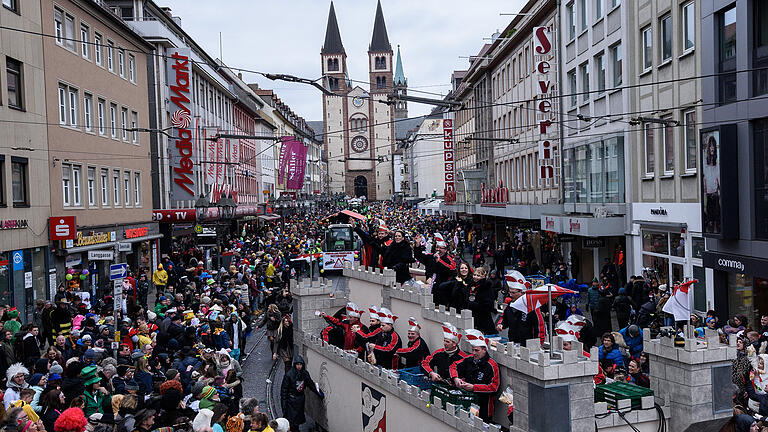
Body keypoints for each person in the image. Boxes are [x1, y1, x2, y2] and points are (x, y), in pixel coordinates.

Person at [449, 329, 499, 422]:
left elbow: (494, 387)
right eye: (473, 350)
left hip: (484, 406)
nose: (474, 353)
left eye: (477, 350)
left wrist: (474, 387)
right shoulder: (469, 359)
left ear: (484, 350)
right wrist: (456, 378)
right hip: (467, 402)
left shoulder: (492, 365)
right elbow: (453, 366)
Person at [496, 270, 545, 345]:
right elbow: (504, 318)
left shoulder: (532, 306)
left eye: (513, 293)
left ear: (522, 292)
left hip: (528, 344)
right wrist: (501, 324)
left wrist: (539, 343)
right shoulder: (510, 305)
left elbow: (539, 326)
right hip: (513, 341)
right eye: (510, 292)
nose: (510, 295)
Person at [413, 233, 457, 307]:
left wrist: (439, 261)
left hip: (442, 291)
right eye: (437, 247)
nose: (438, 250)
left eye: (441, 248)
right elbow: (418, 256)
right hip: (428, 288)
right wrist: (417, 244)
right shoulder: (430, 256)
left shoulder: (449, 260)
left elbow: (452, 271)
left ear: (445, 250)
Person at [280, 355, 322, 432]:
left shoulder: (304, 374)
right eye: (297, 364)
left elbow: (310, 384)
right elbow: (284, 391)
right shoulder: (289, 375)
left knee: (297, 421)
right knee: (291, 421)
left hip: (299, 400)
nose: (299, 366)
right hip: (291, 401)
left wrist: (318, 392)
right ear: (295, 365)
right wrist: (284, 405)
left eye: (300, 364)